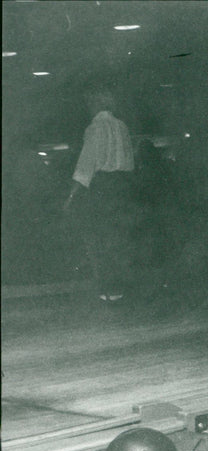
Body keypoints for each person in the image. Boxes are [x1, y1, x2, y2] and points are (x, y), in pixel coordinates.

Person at [63, 87, 136, 302]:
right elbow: (130, 161)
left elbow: (86, 166)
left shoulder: (95, 128)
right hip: (124, 186)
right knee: (120, 237)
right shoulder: (122, 126)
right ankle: (121, 289)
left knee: (100, 237)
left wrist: (70, 197)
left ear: (94, 103)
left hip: (103, 187)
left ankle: (108, 289)